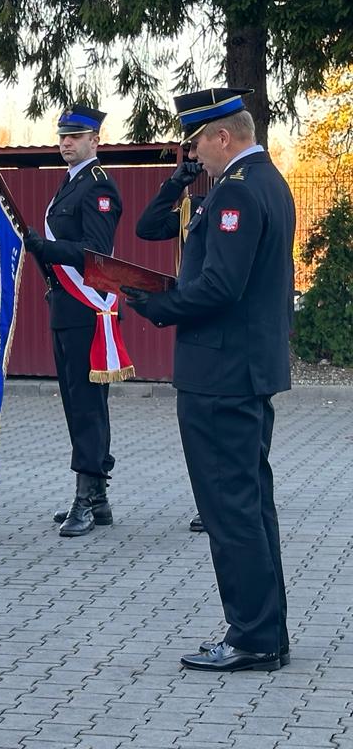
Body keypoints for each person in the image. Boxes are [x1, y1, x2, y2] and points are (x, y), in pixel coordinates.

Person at [123, 87, 294, 672]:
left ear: (223, 135)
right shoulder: (265, 181)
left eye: (196, 142)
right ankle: (266, 631)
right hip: (242, 369)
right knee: (250, 504)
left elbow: (222, 286)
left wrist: (157, 306)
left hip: (222, 374)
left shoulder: (238, 192)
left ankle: (252, 638)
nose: (193, 154)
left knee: (230, 510)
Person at [23, 105, 124, 537]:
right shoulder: (70, 183)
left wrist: (45, 248)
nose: (66, 142)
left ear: (95, 141)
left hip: (87, 308)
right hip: (65, 306)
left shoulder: (98, 185)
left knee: (87, 405)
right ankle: (97, 498)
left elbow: (94, 253)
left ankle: (86, 497)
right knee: (75, 403)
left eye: (75, 137)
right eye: (63, 136)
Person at [134, 152, 208, 533]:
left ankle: (235, 503)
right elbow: (146, 227)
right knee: (204, 429)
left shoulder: (237, 197)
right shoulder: (192, 207)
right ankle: (212, 505)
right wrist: (176, 183)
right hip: (196, 323)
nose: (196, 157)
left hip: (220, 323)